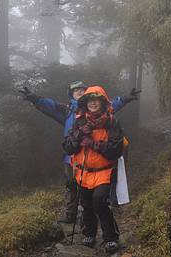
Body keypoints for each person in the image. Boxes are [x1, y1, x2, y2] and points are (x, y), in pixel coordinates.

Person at [19, 81, 139, 223]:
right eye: (76, 90)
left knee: (96, 189)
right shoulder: (67, 110)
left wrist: (125, 98)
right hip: (72, 155)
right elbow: (50, 106)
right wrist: (35, 99)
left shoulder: (95, 107)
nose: (80, 92)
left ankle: (96, 213)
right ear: (72, 94)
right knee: (72, 186)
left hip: (94, 155)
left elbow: (111, 104)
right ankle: (72, 215)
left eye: (82, 89)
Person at [63, 86, 123, 253]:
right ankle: (89, 234)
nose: (93, 103)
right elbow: (68, 148)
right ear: (85, 103)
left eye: (97, 99)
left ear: (103, 102)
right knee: (86, 204)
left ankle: (111, 237)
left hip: (104, 171)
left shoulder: (112, 122)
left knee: (99, 201)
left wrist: (95, 144)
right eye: (90, 100)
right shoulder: (79, 121)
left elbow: (116, 150)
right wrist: (79, 135)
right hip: (83, 172)